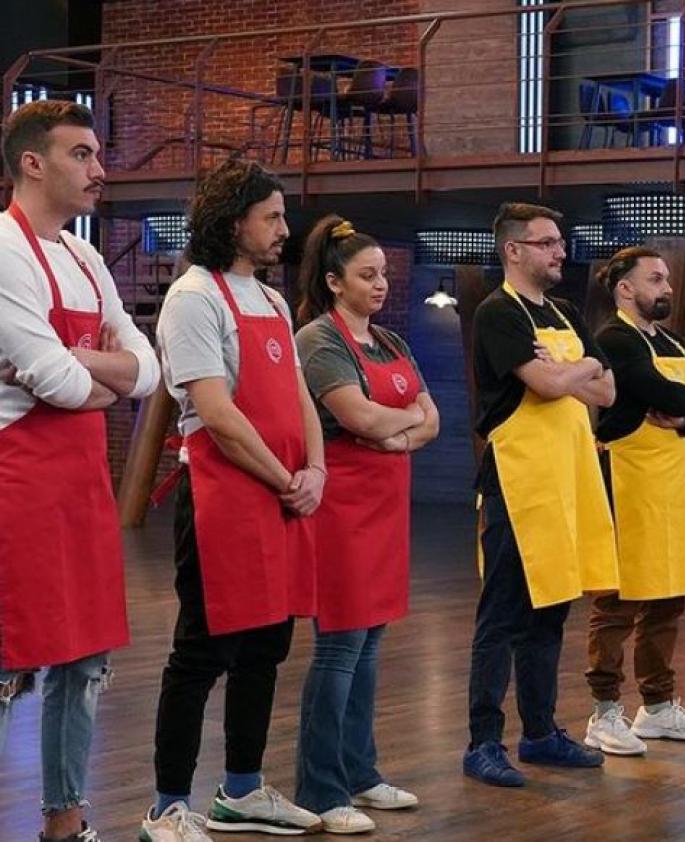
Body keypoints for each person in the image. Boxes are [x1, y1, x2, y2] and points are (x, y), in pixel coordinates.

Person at [141, 158, 324, 841]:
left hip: (283, 495)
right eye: (271, 216)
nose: (283, 229)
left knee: (267, 646)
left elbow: (300, 396)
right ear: (233, 220)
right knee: (201, 652)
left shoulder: (271, 300)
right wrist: (286, 478)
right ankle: (166, 808)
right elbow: (216, 413)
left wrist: (317, 470)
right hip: (224, 496)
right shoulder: (194, 297)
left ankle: (242, 790)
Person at [0, 99, 159, 842]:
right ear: (33, 163)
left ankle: (65, 824)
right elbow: (59, 384)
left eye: (97, 154)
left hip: (82, 483)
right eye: (83, 155)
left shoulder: (88, 259)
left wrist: (82, 366)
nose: (100, 170)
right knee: (7, 661)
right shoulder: (3, 250)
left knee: (85, 657)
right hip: (18, 481)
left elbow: (149, 371)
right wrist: (100, 376)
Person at [464, 202, 618, 787]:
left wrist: (570, 369)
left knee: (551, 610)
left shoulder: (565, 312)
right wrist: (579, 368)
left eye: (559, 241)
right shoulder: (498, 312)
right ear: (513, 250)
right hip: (517, 481)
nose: (560, 251)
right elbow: (550, 384)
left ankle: (540, 732)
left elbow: (606, 392)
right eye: (547, 242)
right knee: (501, 616)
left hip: (568, 479)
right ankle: (483, 742)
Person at [294, 216, 439, 833]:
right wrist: (399, 422)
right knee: (339, 648)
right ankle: (321, 789)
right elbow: (359, 417)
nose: (381, 285)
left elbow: (432, 417)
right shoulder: (318, 340)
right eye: (367, 275)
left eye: (383, 275)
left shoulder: (391, 340)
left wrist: (397, 434)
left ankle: (360, 772)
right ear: (334, 282)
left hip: (386, 505)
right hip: (342, 509)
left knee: (371, 644)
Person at [583, 247, 685, 756]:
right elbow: (658, 392)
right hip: (630, 481)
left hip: (678, 482)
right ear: (625, 289)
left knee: (670, 596)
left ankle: (658, 705)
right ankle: (604, 711)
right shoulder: (613, 340)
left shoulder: (673, 341)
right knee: (619, 600)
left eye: (666, 279)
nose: (667, 288)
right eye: (656, 279)